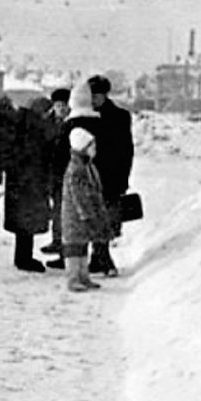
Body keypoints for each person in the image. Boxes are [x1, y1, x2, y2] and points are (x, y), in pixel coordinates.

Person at [87, 74, 133, 277]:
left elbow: (126, 150)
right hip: (89, 174)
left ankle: (104, 259)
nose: (93, 99)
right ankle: (98, 259)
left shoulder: (119, 116)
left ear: (105, 95)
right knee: (93, 218)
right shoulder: (85, 116)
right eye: (91, 95)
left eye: (97, 95)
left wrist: (123, 178)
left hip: (110, 175)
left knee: (105, 219)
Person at [60, 99, 109, 292]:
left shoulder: (86, 166)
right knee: (74, 249)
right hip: (76, 216)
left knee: (82, 247)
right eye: (91, 146)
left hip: (83, 215)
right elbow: (78, 195)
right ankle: (73, 278)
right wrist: (85, 213)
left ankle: (83, 276)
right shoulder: (76, 170)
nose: (94, 150)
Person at [4, 98, 52, 272]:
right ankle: (24, 259)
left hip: (19, 182)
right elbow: (36, 155)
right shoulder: (34, 127)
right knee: (27, 223)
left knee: (23, 224)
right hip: (29, 182)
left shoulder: (21, 121)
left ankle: (22, 257)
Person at [40, 87, 72, 269]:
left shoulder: (73, 122)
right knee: (57, 211)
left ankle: (65, 252)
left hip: (68, 174)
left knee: (66, 214)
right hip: (52, 175)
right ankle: (57, 242)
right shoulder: (47, 122)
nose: (61, 108)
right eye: (58, 105)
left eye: (64, 105)